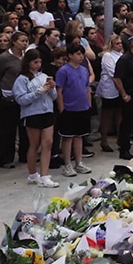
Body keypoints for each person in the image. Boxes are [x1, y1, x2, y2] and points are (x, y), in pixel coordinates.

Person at [11, 49, 59, 187]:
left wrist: (51, 88)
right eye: (35, 62)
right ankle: (32, 173)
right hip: (32, 114)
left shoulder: (44, 76)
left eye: (40, 62)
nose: (38, 64)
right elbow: (21, 99)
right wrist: (39, 92)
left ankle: (45, 175)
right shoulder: (22, 79)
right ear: (28, 63)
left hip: (47, 112)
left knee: (48, 143)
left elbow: (54, 96)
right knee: (35, 145)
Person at [54, 43, 92, 177]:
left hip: (83, 108)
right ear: (70, 55)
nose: (81, 56)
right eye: (78, 54)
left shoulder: (84, 70)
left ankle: (79, 162)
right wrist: (62, 109)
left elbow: (87, 88)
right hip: (69, 109)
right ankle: (67, 165)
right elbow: (59, 91)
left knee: (79, 137)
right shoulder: (63, 71)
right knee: (67, 138)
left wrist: (89, 105)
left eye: (82, 53)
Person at [0, 31, 30, 168]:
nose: (25, 43)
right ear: (14, 42)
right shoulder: (4, 58)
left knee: (24, 127)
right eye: (22, 40)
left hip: (24, 96)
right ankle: (6, 159)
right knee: (8, 129)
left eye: (26, 41)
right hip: (8, 97)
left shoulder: (26, 57)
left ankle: (24, 155)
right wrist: (3, 91)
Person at [96, 35, 124, 152]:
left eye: (121, 43)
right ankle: (104, 140)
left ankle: (120, 138)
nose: (120, 45)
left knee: (119, 114)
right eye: (117, 43)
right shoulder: (107, 56)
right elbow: (114, 73)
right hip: (109, 88)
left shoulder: (122, 55)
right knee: (107, 115)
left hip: (120, 86)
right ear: (112, 44)